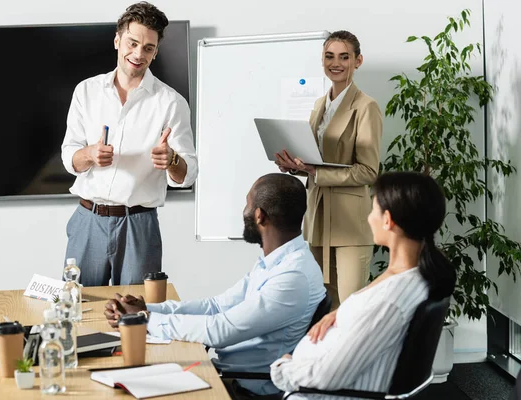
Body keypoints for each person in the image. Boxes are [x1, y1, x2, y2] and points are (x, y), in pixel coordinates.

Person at [104, 173, 325, 397]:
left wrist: (145, 318)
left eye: (247, 204)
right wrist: (148, 309)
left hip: (247, 387)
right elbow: (216, 306)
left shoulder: (292, 276)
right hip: (225, 373)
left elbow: (221, 330)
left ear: (260, 216)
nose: (244, 211)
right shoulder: (278, 262)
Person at [270, 172, 457, 396]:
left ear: (388, 220)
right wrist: (342, 312)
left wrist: (283, 366)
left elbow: (327, 376)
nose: (369, 218)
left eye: (373, 209)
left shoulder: (391, 300)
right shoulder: (411, 275)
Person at [60, 2, 197, 286]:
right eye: (132, 43)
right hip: (88, 219)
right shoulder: (86, 91)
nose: (138, 54)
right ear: (117, 40)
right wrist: (89, 154)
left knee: (135, 313)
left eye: (148, 48)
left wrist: (171, 160)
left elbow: (188, 174)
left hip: (139, 225)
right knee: (77, 309)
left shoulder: (171, 102)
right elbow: (69, 156)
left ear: (156, 51)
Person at [275, 30, 382, 308]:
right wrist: (294, 166)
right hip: (318, 220)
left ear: (357, 61)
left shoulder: (365, 107)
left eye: (344, 57)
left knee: (349, 311)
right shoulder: (320, 105)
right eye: (329, 56)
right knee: (322, 310)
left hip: (349, 224)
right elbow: (315, 163)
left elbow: (368, 172)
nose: (336, 63)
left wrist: (315, 173)